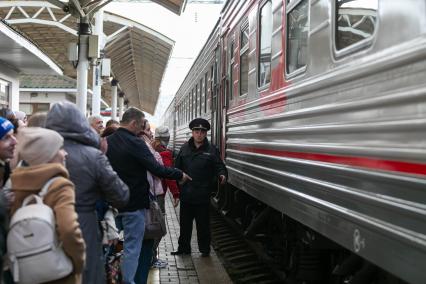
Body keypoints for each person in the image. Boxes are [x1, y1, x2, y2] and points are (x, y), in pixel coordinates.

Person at [45, 102, 130, 284]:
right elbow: (121, 196)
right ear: (80, 123)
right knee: (87, 273)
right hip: (84, 225)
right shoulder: (94, 155)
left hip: (44, 225)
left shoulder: (37, 154)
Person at [106, 107, 191, 284]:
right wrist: (179, 175)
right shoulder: (135, 143)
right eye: (143, 124)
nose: (144, 128)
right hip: (133, 206)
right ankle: (128, 281)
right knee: (132, 249)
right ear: (134, 123)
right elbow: (156, 168)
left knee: (107, 246)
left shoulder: (107, 141)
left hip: (111, 205)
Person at [9, 127, 86, 284]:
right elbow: (69, 229)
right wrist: (78, 262)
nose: (65, 153)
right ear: (48, 154)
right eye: (60, 149)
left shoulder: (14, 183)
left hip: (25, 270)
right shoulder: (60, 185)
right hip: (59, 272)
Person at [172, 118, 227, 257]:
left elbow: (219, 166)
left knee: (203, 226)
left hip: (202, 194)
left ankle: (205, 250)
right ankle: (183, 248)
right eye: (197, 131)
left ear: (206, 133)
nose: (199, 134)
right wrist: (177, 188)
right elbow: (176, 168)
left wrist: (222, 175)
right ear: (192, 132)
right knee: (185, 225)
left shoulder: (211, 149)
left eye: (202, 131)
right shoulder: (184, 149)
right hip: (187, 194)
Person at [151, 126, 180, 268]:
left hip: (151, 193)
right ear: (166, 138)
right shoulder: (164, 153)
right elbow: (168, 175)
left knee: (153, 226)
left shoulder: (151, 147)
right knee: (159, 227)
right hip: (160, 194)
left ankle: (151, 256)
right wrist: (176, 193)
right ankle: (151, 257)